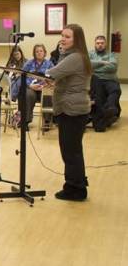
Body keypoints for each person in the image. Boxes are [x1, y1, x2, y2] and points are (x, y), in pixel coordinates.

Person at [44, 24, 92, 201]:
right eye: (62, 35)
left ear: (76, 40)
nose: (63, 39)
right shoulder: (71, 56)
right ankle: (75, 185)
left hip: (72, 110)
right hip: (71, 108)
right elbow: (63, 78)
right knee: (72, 151)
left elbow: (51, 73)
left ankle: (76, 189)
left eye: (68, 36)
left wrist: (49, 78)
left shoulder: (75, 57)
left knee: (71, 152)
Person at [89, 35, 121, 132]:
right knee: (99, 96)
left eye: (102, 43)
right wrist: (103, 62)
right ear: (95, 44)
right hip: (97, 80)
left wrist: (96, 67)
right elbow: (88, 65)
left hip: (110, 79)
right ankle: (108, 115)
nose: (100, 45)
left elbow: (113, 67)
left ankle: (109, 108)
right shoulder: (90, 54)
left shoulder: (112, 54)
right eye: (98, 43)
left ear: (105, 44)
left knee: (116, 90)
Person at [19, 44, 54, 128]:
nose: (39, 53)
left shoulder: (49, 64)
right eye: (37, 51)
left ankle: (47, 121)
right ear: (34, 53)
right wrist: (30, 85)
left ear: (44, 52)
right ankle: (26, 121)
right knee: (28, 95)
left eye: (41, 51)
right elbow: (22, 76)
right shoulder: (29, 63)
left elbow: (53, 77)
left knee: (47, 94)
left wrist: (47, 84)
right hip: (31, 87)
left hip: (44, 88)